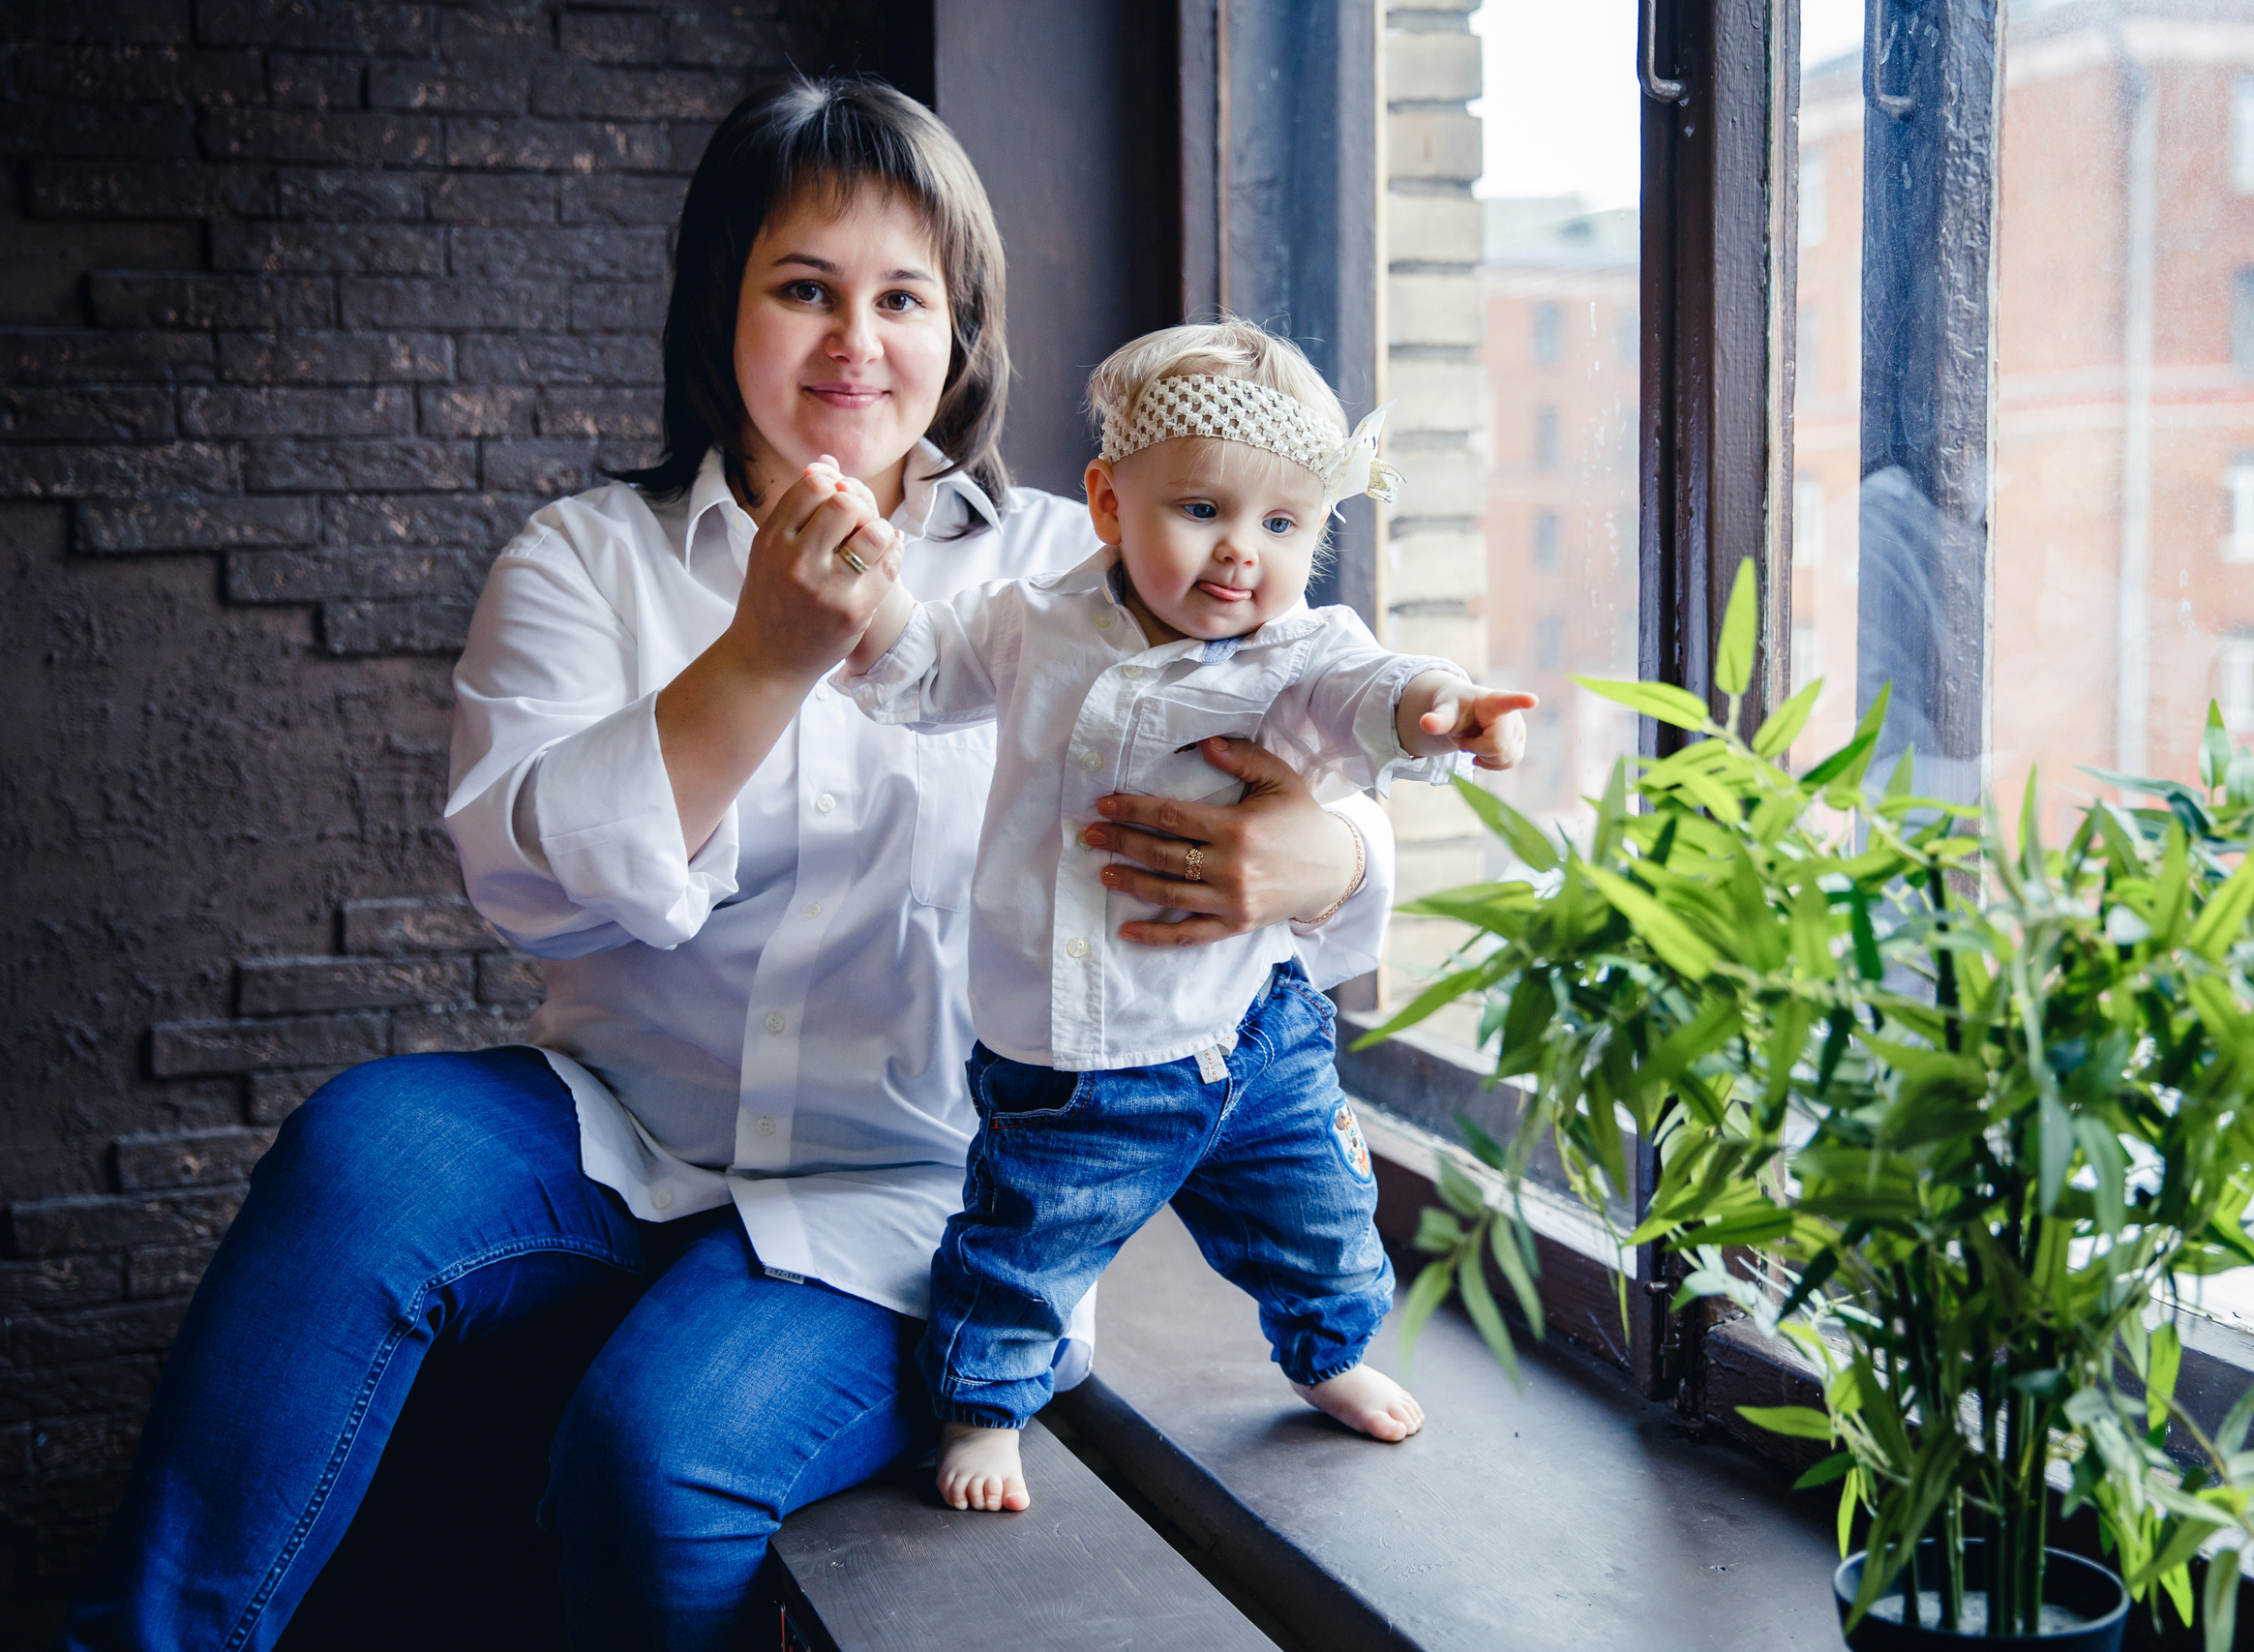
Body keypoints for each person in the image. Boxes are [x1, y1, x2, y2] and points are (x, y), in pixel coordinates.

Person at [62, 78, 1397, 1652]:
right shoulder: (587, 557)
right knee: (369, 1147)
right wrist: (763, 660)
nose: (857, 340)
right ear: (725, 304)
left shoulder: (1077, 572)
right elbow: (528, 875)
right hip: (628, 1119)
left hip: (929, 1184)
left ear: (961, 333)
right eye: (804, 288)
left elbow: (1313, 719)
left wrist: (1324, 856)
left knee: (650, 1456)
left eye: (904, 296)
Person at [829, 322, 1537, 1512]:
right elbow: (913, 668)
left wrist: (1444, 710)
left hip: (1253, 1037)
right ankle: (984, 1408)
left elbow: (1377, 690)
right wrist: (862, 588)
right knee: (1026, 1243)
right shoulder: (1028, 624)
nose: (1240, 557)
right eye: (1201, 510)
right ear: (1108, 503)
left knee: (1319, 1215)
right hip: (1075, 1066)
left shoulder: (1295, 656)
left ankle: (1328, 1353)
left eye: (1282, 526)